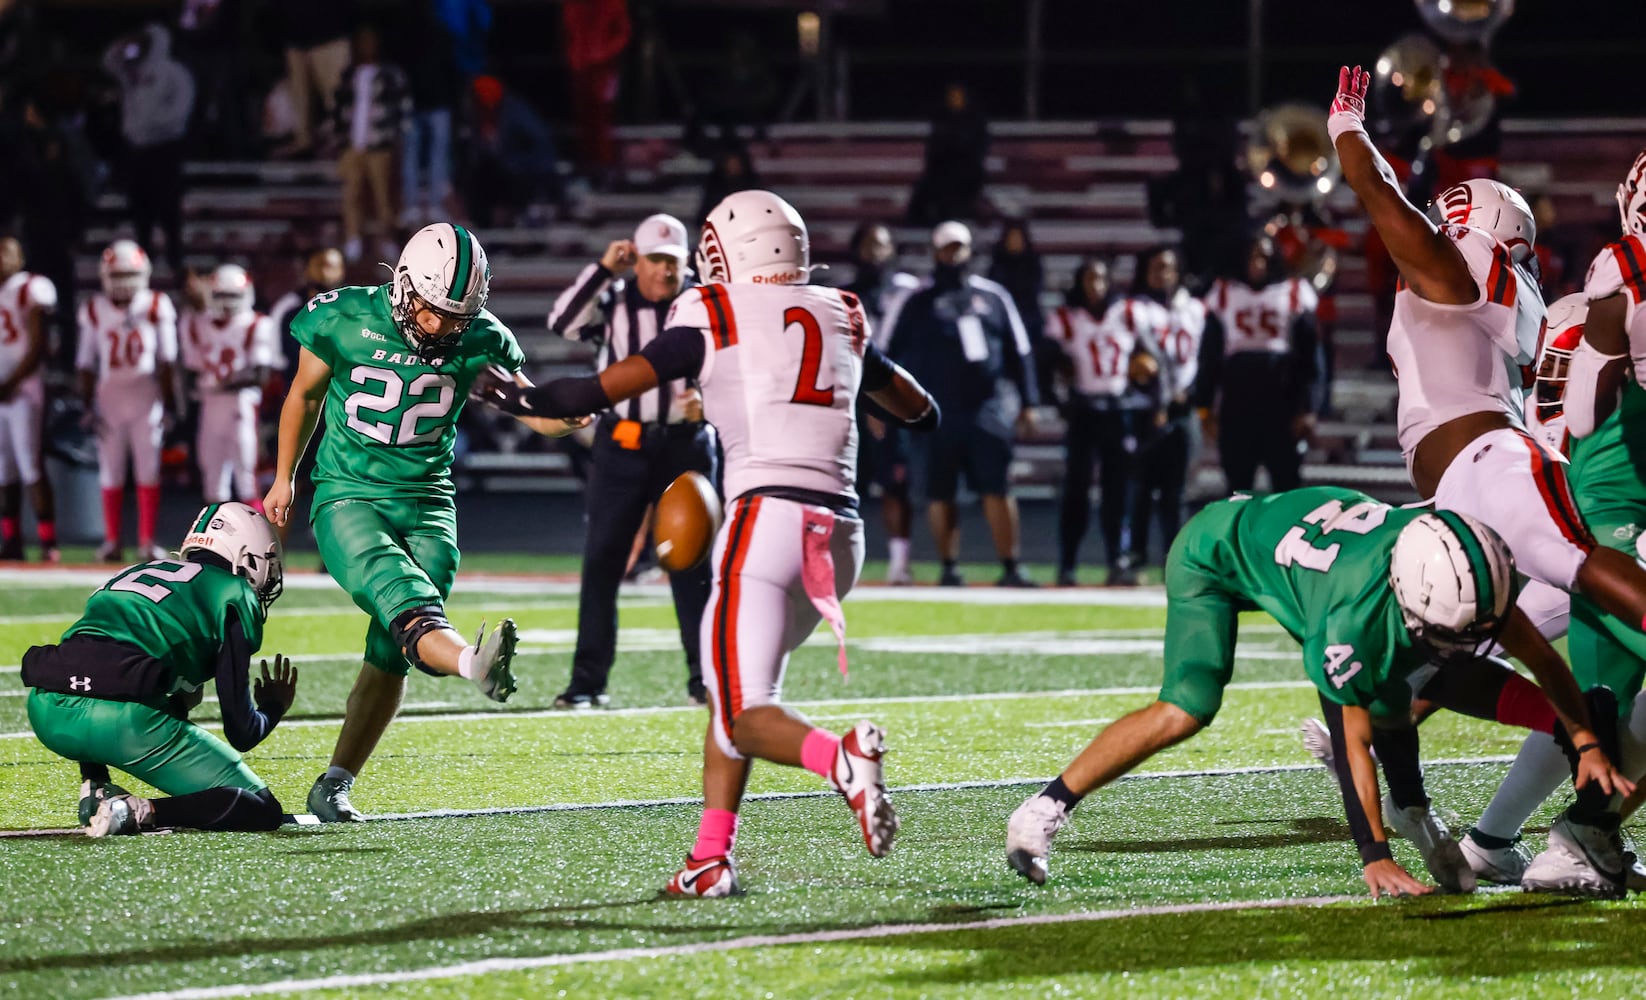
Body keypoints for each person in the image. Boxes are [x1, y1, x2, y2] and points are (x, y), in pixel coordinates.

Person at [476, 189, 941, 897]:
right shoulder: (841, 310)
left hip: (766, 521)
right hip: (841, 536)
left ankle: (839, 759)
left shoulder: (711, 311)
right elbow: (921, 411)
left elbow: (596, 391)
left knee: (744, 710)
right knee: (735, 697)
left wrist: (507, 394)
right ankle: (709, 858)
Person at [1331, 66, 1646, 893]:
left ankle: (1557, 811)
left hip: (1492, 464)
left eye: (1456, 216)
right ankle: (1498, 818)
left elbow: (1400, 223)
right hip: (1464, 479)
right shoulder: (1505, 281)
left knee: (1581, 568)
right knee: (1463, 640)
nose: (1444, 221)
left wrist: (1351, 139)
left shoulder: (1468, 267)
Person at [1004, 487, 1629, 896]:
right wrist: (1373, 856)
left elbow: (1540, 657)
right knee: (1187, 708)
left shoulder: (1466, 573)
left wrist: (1584, 739)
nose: (1466, 640)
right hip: (1216, 552)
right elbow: (1354, 742)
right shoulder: (1351, 623)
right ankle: (1045, 806)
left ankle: (1418, 812)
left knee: (1430, 679)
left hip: (1325, 555)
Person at [263, 223, 581, 823]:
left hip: (430, 503)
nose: (442, 327)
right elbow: (304, 395)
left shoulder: (480, 335)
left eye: (456, 317)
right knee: (407, 601)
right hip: (349, 496)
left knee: (393, 646)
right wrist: (286, 476)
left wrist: (570, 414)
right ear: (404, 284)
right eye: (434, 312)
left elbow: (531, 409)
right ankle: (472, 664)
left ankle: (334, 783)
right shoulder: (342, 316)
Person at [1504, 149, 1646, 894]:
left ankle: (1500, 838)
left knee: (1584, 687)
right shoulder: (1618, 282)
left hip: (1590, 495)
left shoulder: (1605, 283)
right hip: (1607, 504)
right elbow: (1585, 414)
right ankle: (1576, 835)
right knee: (1587, 689)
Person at [21, 502, 293, 836]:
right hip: (122, 724)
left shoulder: (133, 572)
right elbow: (242, 731)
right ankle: (138, 810)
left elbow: (91, 654)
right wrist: (274, 706)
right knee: (261, 808)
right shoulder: (233, 592)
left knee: (111, 672)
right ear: (248, 558)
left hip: (46, 709)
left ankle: (95, 785)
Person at [544, 213, 716, 709]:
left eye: (674, 262)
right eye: (656, 260)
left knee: (694, 563)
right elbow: (562, 321)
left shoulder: (701, 304)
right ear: (637, 259)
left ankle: (705, 678)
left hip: (687, 445)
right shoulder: (615, 301)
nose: (665, 271)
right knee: (602, 560)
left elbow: (737, 362)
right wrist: (602, 269)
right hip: (622, 443)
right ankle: (588, 682)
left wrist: (711, 401)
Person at [883, 221, 1039, 587]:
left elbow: (1020, 351)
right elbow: (888, 353)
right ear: (935, 252)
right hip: (936, 409)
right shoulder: (917, 300)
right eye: (948, 248)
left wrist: (1028, 402)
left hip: (988, 406)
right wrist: (889, 406)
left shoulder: (994, 295)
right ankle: (949, 565)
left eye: (960, 248)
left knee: (997, 486)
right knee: (941, 490)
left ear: (971, 250)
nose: (955, 255)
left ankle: (1011, 565)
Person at [1048, 257, 1162, 586]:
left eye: (1100, 279)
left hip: (1118, 407)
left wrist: (1153, 399)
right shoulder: (1066, 318)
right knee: (1076, 490)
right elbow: (1048, 361)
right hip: (1084, 408)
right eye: (1089, 279)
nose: (1095, 286)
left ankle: (1118, 560)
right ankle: (1067, 563)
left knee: (1117, 490)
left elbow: (1153, 360)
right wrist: (1060, 399)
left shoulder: (1128, 313)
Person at [77, 240, 180, 563]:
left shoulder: (155, 304)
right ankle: (112, 541)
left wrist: (170, 403)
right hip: (111, 397)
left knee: (148, 470)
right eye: (117, 274)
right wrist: (86, 404)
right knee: (111, 471)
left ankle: (146, 541)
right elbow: (85, 362)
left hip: (144, 395)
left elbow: (167, 360)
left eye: (128, 274)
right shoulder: (94, 309)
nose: (122, 282)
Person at [1196, 233, 1322, 494]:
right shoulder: (1224, 293)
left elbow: (1310, 357)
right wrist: (1205, 405)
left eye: (1264, 257)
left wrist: (1309, 406)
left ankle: (1288, 536)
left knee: (1286, 484)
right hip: (1238, 400)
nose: (1258, 264)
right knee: (1237, 487)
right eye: (1252, 257)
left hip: (1281, 398)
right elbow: (1209, 354)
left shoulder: (1294, 292)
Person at [843, 222, 919, 584]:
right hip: (852, 400)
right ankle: (841, 559)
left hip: (893, 396)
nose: (875, 252)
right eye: (869, 244)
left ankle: (899, 562)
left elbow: (912, 349)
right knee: (844, 484)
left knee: (896, 484)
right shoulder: (843, 294)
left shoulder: (907, 292)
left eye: (882, 244)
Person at [1124, 246, 1205, 566]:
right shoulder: (1134, 309)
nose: (1162, 274)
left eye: (1168, 267)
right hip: (1144, 408)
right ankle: (1136, 557)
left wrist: (1195, 394)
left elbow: (1206, 356)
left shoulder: (1195, 309)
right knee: (1141, 488)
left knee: (1177, 491)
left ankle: (1176, 560)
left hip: (1183, 407)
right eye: (1156, 267)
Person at [181, 264, 279, 509]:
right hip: (210, 404)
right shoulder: (196, 322)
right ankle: (216, 543)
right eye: (221, 295)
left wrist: (226, 383)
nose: (226, 303)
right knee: (212, 481)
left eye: (232, 296)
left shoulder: (257, 324)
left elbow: (261, 375)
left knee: (247, 477)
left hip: (241, 405)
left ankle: (259, 541)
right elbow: (190, 368)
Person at [102, 24, 195, 278]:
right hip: (136, 150)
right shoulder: (131, 70)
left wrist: (150, 127)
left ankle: (175, 254)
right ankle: (145, 252)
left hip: (164, 148)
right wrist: (126, 41)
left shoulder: (175, 72)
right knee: (139, 205)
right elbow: (109, 61)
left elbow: (181, 110)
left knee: (168, 205)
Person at [0, 237, 58, 561]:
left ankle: (48, 542)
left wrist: (11, 381)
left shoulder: (31, 288)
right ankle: (11, 538)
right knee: (3, 470)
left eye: (6, 253)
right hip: (3, 390)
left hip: (24, 389)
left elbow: (38, 344)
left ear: (19, 257)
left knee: (30, 464)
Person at [332, 25, 409, 264]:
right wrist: (339, 138)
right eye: (362, 41)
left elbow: (403, 108)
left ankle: (386, 240)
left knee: (383, 198)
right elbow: (338, 108)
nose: (366, 46)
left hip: (379, 144)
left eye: (371, 41)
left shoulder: (390, 75)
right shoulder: (348, 75)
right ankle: (353, 239)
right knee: (351, 194)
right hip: (352, 145)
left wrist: (398, 138)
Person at [391, 2, 460, 226]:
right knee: (413, 153)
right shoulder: (405, 37)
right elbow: (400, 73)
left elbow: (451, 70)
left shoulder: (443, 35)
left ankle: (434, 204)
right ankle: (413, 204)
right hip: (416, 105)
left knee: (435, 153)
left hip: (437, 103)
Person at [463, 75, 562, 228]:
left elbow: (541, 144)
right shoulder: (480, 116)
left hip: (524, 170)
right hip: (499, 170)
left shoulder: (516, 112)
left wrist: (519, 163)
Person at [272, 0, 353, 159]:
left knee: (337, 101)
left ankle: (345, 151)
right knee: (301, 105)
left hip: (330, 36)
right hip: (294, 36)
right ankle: (303, 145)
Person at [905, 83, 988, 226]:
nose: (955, 100)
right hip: (941, 173)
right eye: (952, 97)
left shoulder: (976, 122)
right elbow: (933, 153)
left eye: (958, 96)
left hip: (968, 175)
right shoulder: (940, 121)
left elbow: (979, 149)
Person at [270, 247, 346, 384]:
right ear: (306, 270)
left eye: (332, 266)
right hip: (298, 386)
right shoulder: (288, 307)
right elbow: (278, 359)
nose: (325, 272)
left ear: (342, 271)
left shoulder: (355, 307)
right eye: (320, 265)